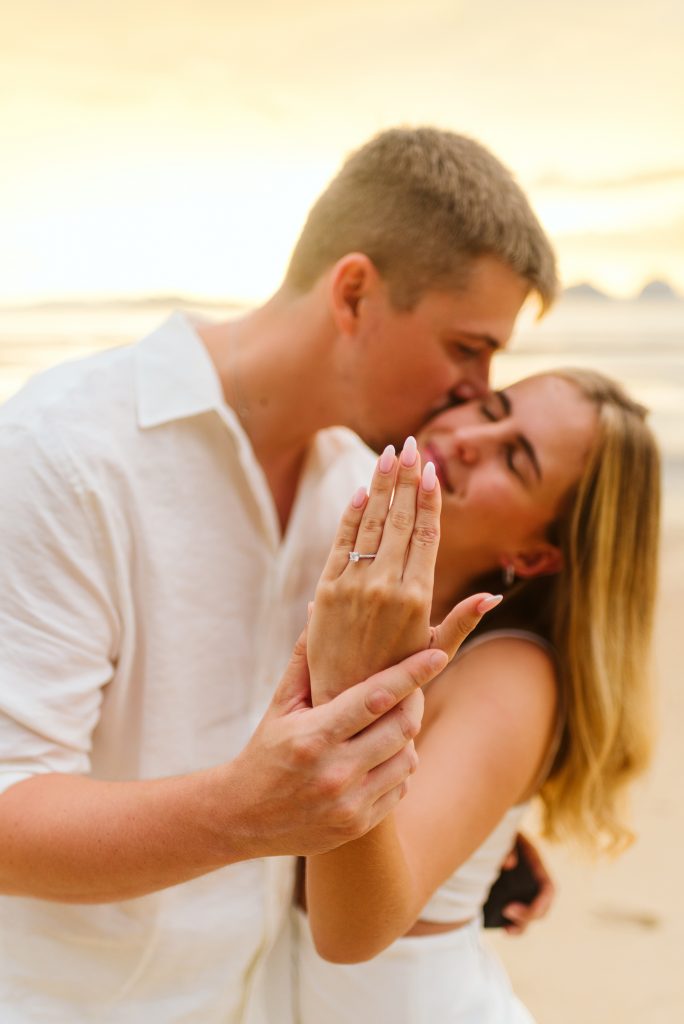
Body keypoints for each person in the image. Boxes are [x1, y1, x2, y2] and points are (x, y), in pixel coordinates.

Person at [0, 128, 557, 1022]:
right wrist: (242, 812)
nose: (474, 391)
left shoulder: (362, 487)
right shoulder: (63, 455)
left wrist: (461, 841)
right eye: (466, 347)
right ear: (354, 294)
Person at [297, 368, 660, 1023]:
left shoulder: (513, 678)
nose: (469, 438)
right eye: (489, 409)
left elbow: (351, 931)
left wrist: (354, 687)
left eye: (513, 458)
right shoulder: (339, 568)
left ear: (538, 554)